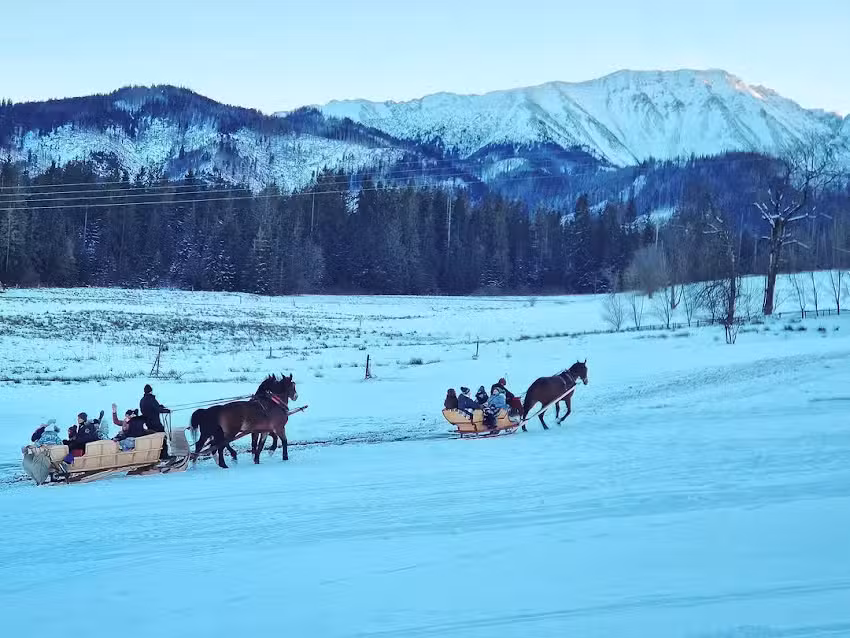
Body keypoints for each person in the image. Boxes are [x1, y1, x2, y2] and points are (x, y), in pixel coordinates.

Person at [140, 384, 171, 459]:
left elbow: (153, 408)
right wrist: (166, 410)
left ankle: (156, 454)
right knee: (163, 437)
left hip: (148, 423)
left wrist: (160, 406)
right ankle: (164, 456)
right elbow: (156, 409)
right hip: (155, 422)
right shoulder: (152, 399)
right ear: (151, 391)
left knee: (154, 439)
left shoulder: (142, 400)